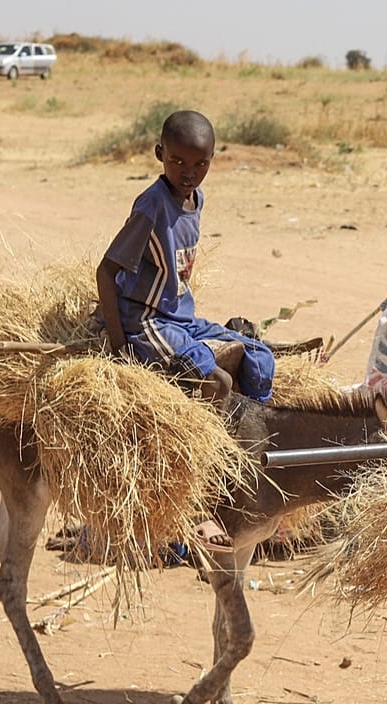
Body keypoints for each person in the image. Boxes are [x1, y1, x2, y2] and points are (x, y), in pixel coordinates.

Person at [95, 109, 276, 551]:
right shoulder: (151, 206)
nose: (189, 172)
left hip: (181, 316)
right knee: (212, 379)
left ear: (213, 159)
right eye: (178, 161)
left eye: (200, 164)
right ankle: (199, 502)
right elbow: (106, 271)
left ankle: (252, 473)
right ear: (160, 154)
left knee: (260, 357)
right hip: (147, 319)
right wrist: (119, 347)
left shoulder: (196, 200)